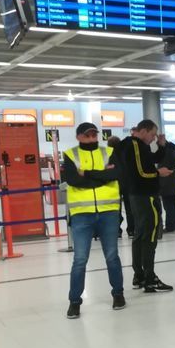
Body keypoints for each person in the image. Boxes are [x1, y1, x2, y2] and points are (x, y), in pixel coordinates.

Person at [62, 122, 126, 319]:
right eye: (87, 135)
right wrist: (102, 177)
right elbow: (73, 179)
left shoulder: (109, 151)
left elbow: (115, 174)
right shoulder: (70, 154)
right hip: (82, 213)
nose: (92, 138)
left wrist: (88, 174)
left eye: (94, 135)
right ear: (79, 137)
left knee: (112, 256)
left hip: (108, 211)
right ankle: (74, 302)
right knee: (80, 259)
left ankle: (118, 294)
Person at [119, 119, 173, 293]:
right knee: (149, 236)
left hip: (139, 195)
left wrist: (162, 146)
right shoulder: (134, 145)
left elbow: (149, 160)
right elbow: (141, 172)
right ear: (143, 131)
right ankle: (149, 277)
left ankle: (140, 274)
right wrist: (159, 173)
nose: (152, 138)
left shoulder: (139, 146)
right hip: (145, 196)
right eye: (152, 134)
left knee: (141, 234)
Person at [157, 134, 175, 232]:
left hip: (166, 182)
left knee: (168, 205)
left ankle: (170, 226)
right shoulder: (174, 152)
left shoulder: (165, 153)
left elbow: (163, 168)